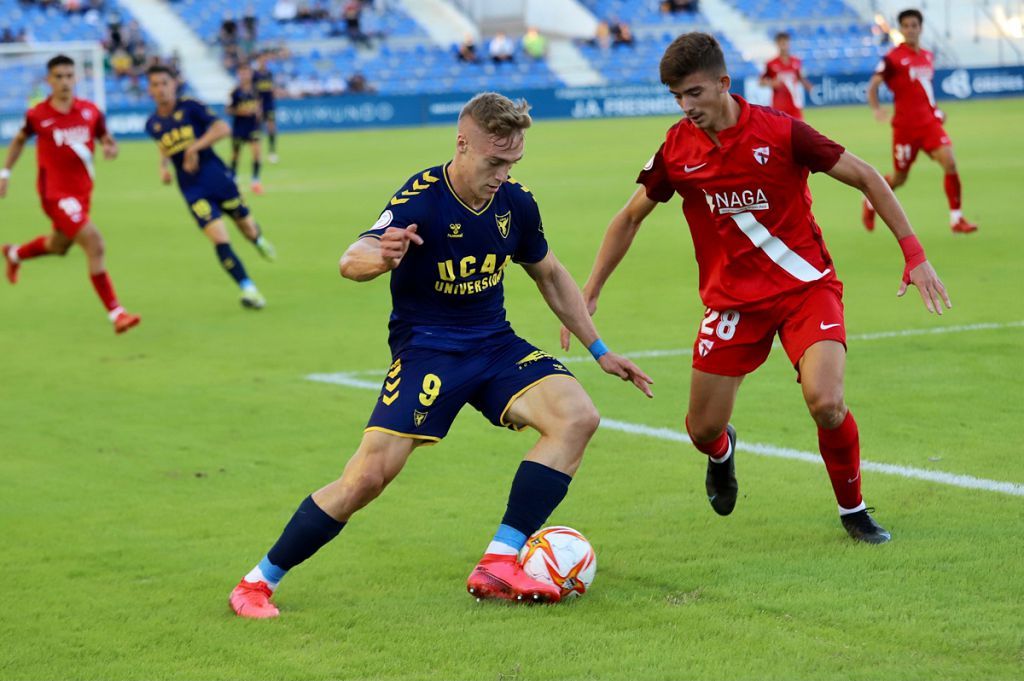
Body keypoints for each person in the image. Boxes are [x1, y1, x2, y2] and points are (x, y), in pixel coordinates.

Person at [228, 92, 653, 618]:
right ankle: (256, 582)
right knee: (365, 479)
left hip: (495, 344)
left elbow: (549, 273)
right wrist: (381, 257)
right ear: (462, 144)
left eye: (512, 162)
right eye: (494, 161)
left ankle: (498, 561)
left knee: (577, 417)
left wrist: (600, 348)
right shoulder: (421, 198)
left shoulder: (516, 202)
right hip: (428, 351)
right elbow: (350, 259)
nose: (502, 173)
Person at [566, 33, 952, 545]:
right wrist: (590, 289)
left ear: (724, 84)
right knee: (701, 429)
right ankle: (722, 451)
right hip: (731, 304)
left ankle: (853, 510)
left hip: (805, 289)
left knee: (826, 401)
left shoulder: (782, 132)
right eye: (677, 97)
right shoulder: (676, 149)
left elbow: (866, 177)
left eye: (695, 93)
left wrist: (915, 255)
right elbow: (630, 217)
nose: (687, 106)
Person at [1, 54, 140, 334]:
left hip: (82, 194)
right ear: (49, 80)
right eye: (59, 77)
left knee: (59, 245)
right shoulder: (37, 115)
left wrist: (110, 146)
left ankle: (14, 254)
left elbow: (104, 136)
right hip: (55, 195)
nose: (64, 82)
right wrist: (5, 173)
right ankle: (116, 313)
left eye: (69, 76)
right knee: (94, 243)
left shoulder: (90, 111)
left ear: (76, 78)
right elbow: (18, 141)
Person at [144, 64, 276, 310]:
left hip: (217, 177)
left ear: (173, 84)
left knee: (246, 228)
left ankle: (258, 241)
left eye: (164, 83)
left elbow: (222, 128)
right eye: (154, 84)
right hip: (191, 189)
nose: (160, 89)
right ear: (149, 89)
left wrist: (195, 147)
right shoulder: (152, 124)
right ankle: (248, 289)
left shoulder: (191, 107)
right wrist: (163, 166)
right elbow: (164, 145)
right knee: (219, 238)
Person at [865, 8, 977, 234]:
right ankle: (869, 201)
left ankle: (956, 219)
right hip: (905, 129)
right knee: (899, 178)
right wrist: (877, 109)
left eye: (914, 25)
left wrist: (935, 111)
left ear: (920, 28)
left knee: (950, 162)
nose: (910, 30)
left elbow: (925, 91)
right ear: (901, 29)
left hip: (929, 125)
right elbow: (873, 85)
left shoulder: (927, 56)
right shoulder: (892, 59)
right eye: (906, 26)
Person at [227, 64, 263, 194]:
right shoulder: (235, 92)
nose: (245, 75)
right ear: (239, 74)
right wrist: (242, 111)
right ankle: (233, 180)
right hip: (239, 127)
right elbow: (229, 109)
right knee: (236, 155)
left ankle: (256, 181)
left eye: (247, 72)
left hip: (253, 127)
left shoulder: (255, 90)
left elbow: (259, 105)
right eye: (242, 73)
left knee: (257, 153)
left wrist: (258, 112)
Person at [761, 31, 812, 119]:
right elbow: (761, 81)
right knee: (780, 131)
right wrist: (771, 83)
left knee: (800, 131)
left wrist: (808, 86)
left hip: (794, 105)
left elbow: (799, 77)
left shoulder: (796, 61)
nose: (783, 45)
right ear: (777, 44)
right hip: (779, 106)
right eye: (781, 42)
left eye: (785, 42)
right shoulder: (771, 63)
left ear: (789, 43)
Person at [253, 53, 279, 164]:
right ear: (258, 60)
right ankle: (259, 154)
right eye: (262, 59)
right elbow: (253, 91)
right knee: (258, 130)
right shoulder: (254, 75)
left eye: (265, 59)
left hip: (269, 105)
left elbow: (272, 89)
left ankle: (272, 152)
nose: (264, 61)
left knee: (271, 127)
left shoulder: (269, 73)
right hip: (259, 105)